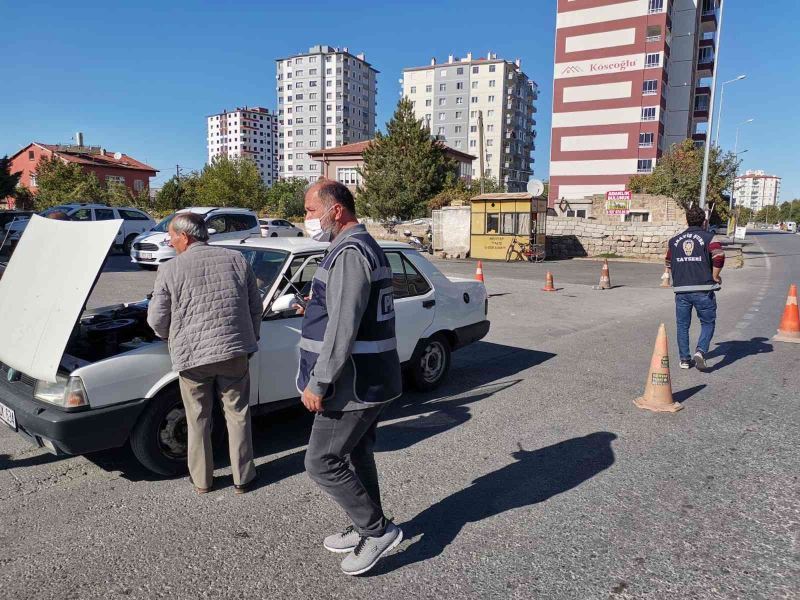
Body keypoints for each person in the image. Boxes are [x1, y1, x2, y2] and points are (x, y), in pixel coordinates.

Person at [298, 180, 403, 576]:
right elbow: (346, 310)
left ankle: (376, 532)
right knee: (356, 453)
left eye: (310, 211)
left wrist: (319, 382)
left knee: (321, 461)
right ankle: (365, 524)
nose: (308, 219)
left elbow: (344, 327)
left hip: (353, 384)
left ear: (336, 210)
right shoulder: (356, 246)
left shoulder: (350, 251)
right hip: (371, 379)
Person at [147, 213, 260, 495]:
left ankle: (202, 481)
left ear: (185, 236)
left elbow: (157, 319)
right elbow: (254, 306)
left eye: (172, 236)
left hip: (193, 356)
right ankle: (243, 478)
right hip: (234, 349)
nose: (169, 242)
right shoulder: (236, 259)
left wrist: (167, 336)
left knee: (197, 417)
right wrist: (251, 336)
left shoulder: (170, 269)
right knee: (238, 414)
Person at [665, 206, 725, 370]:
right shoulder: (709, 237)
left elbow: (668, 261)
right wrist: (715, 275)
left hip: (681, 290)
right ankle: (700, 350)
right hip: (703, 289)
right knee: (707, 322)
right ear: (704, 221)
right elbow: (719, 255)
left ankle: (685, 359)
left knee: (682, 325)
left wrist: (668, 277)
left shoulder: (674, 241)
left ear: (687, 220)